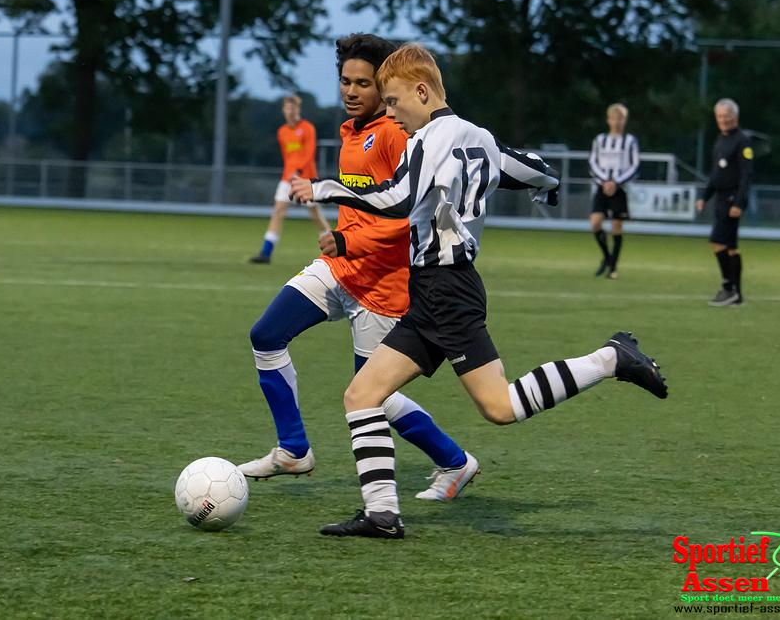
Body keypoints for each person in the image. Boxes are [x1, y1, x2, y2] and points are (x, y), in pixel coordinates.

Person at [291, 43, 668, 539]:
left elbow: (395, 200)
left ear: (422, 91)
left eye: (395, 101)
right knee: (362, 394)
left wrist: (323, 189)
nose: (390, 112)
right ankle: (382, 514)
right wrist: (548, 186)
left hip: (447, 291)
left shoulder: (425, 140)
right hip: (435, 292)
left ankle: (611, 359)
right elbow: (528, 166)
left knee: (500, 407)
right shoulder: (479, 137)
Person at [238, 34, 480, 503]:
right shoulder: (352, 133)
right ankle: (293, 449)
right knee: (266, 335)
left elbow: (407, 216)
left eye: (363, 84)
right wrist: (342, 242)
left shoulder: (395, 135)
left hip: (385, 287)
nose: (351, 91)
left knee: (376, 397)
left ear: (383, 87)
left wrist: (350, 238)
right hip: (339, 269)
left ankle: (455, 460)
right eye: (345, 81)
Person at [249, 95, 329, 264]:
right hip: (288, 179)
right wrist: (290, 173)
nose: (290, 112)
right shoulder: (282, 132)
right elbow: (287, 157)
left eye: (293, 108)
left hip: (306, 179)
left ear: (298, 109)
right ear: (284, 110)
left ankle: (334, 247)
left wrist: (298, 171)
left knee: (314, 214)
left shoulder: (307, 128)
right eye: (287, 108)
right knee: (278, 211)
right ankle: (266, 253)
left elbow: (309, 154)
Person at [695, 98, 753, 307]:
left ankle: (729, 288)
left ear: (735, 116)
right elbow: (715, 174)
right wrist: (704, 196)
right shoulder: (720, 139)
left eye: (727, 116)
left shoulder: (742, 140)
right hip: (720, 198)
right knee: (729, 247)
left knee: (718, 241)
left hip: (732, 199)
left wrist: (739, 202)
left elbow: (746, 175)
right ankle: (735, 293)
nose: (723, 119)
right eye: (719, 116)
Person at [588, 103, 640, 278]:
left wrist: (615, 182)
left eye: (620, 119)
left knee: (617, 226)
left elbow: (634, 165)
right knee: (595, 222)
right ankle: (607, 257)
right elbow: (593, 162)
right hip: (602, 186)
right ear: (608, 120)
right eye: (614, 118)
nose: (617, 122)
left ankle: (613, 268)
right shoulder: (600, 140)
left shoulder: (630, 141)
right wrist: (605, 181)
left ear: (624, 121)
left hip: (620, 189)